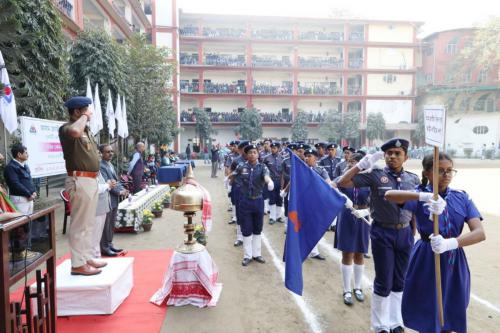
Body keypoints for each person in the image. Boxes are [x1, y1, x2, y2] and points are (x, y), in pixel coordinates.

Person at [384, 152, 485, 333]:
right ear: (427, 173)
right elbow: (390, 195)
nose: (446, 175)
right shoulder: (418, 194)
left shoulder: (462, 197)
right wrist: (424, 197)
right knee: (428, 313)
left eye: (449, 171)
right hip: (426, 258)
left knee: (449, 312)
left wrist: (450, 243)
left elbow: (479, 233)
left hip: (454, 258)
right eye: (440, 171)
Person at [338, 138, 420, 333]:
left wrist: (414, 229)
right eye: (389, 153)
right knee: (384, 280)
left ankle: (395, 322)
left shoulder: (413, 179)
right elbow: (344, 182)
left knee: (400, 279)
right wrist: (360, 166)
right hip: (383, 232)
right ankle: (380, 325)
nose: (392, 156)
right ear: (384, 156)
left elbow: (415, 206)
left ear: (406, 157)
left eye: (397, 153)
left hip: (405, 233)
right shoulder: (375, 175)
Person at [59, 96, 106, 276]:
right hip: (79, 180)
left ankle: (86, 258)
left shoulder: (85, 130)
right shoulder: (67, 129)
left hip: (91, 180)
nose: (90, 113)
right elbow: (74, 132)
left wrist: (84, 119)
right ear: (77, 112)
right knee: (80, 224)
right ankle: (77, 264)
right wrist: (84, 117)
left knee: (88, 223)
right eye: (86, 110)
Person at [334, 152, 371, 306]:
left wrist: (367, 211)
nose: (351, 164)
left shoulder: (370, 180)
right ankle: (347, 289)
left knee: (360, 254)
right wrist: (340, 196)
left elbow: (378, 202)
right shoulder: (343, 178)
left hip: (363, 216)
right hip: (347, 216)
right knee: (347, 253)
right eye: (349, 162)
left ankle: (357, 287)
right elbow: (331, 188)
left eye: (355, 162)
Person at [231, 144, 274, 266]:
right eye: (250, 152)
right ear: (246, 154)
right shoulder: (241, 166)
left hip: (258, 201)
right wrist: (229, 181)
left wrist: (269, 181)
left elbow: (266, 176)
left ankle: (257, 254)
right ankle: (247, 255)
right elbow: (234, 174)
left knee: (257, 228)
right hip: (245, 201)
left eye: (255, 152)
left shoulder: (262, 167)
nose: (252, 154)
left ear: (258, 154)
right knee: (246, 228)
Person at [99, 144, 128, 257]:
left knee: (111, 223)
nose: (110, 153)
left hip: (114, 199)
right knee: (106, 224)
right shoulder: (101, 166)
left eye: (111, 151)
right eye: (107, 152)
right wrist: (119, 192)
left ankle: (110, 244)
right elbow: (107, 182)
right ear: (101, 153)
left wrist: (123, 189)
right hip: (107, 199)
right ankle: (104, 248)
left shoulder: (110, 164)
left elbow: (116, 181)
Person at [303, 148, 330, 261]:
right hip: (304, 201)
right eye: (306, 156)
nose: (307, 158)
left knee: (315, 226)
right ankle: (304, 250)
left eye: (310, 156)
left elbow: (328, 183)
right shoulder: (301, 170)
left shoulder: (321, 170)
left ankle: (313, 251)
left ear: (316, 158)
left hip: (317, 201)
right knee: (303, 226)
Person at [4, 144, 37, 215]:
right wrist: (29, 194)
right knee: (21, 222)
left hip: (30, 198)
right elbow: (15, 184)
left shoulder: (25, 165)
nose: (28, 155)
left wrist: (33, 191)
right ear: (19, 154)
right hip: (20, 200)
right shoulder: (10, 167)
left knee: (30, 221)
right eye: (26, 153)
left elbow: (29, 180)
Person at [92, 172, 114, 259]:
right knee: (95, 236)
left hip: (102, 206)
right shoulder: (88, 169)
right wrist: (107, 185)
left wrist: (108, 184)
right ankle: (94, 257)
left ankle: (97, 256)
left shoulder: (96, 168)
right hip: (96, 207)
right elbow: (95, 188)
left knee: (98, 236)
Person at [262, 142, 283, 224]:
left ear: (278, 149)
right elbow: (263, 169)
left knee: (279, 199)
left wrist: (282, 184)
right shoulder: (266, 158)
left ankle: (278, 216)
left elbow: (283, 172)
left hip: (280, 181)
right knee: (272, 198)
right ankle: (272, 217)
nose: (273, 149)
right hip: (271, 181)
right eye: (272, 148)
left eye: (274, 148)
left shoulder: (282, 158)